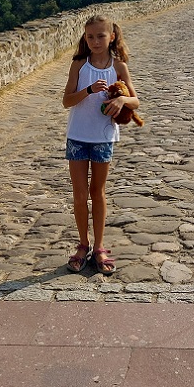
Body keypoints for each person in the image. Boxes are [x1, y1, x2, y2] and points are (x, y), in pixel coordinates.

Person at [61, 14, 140, 275]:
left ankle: (99, 247)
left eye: (101, 36)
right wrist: (90, 91)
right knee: (80, 194)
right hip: (78, 135)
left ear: (112, 37)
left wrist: (122, 102)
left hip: (103, 137)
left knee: (99, 192)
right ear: (85, 38)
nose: (95, 41)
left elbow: (135, 101)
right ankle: (83, 244)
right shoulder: (79, 65)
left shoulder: (118, 67)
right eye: (91, 36)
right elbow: (67, 101)